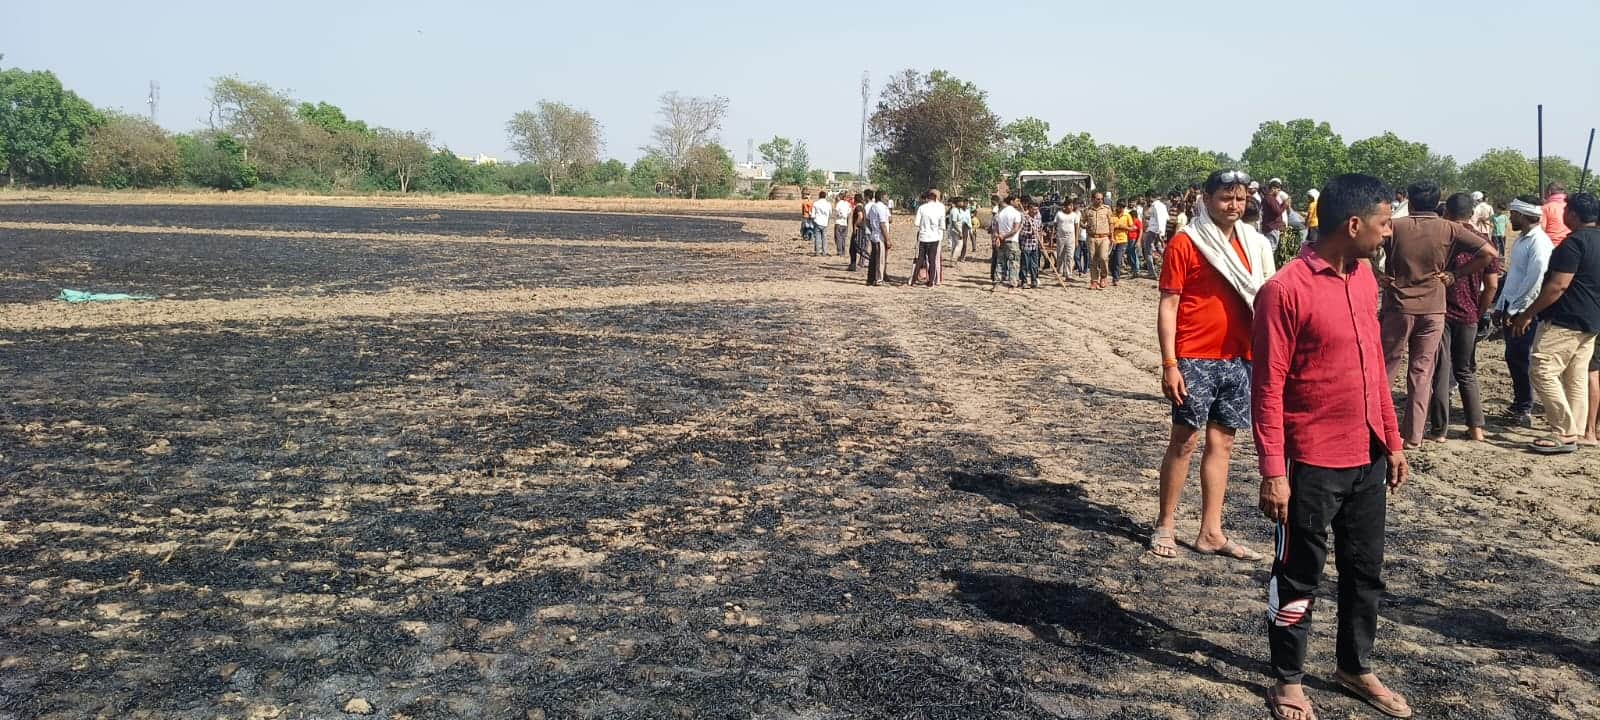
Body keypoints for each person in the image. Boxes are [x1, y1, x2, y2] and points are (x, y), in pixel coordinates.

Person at [1253, 173, 1412, 720]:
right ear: (1353, 224)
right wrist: (1274, 471)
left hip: (1366, 454)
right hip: (1310, 461)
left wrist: (1392, 442)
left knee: (1364, 571)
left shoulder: (1365, 278)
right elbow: (1268, 387)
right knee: (1298, 572)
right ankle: (1288, 679)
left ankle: (1354, 666)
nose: (1388, 232)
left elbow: (1374, 370)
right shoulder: (1284, 290)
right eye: (1384, 222)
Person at [1151, 169, 1276, 561]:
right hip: (1195, 358)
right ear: (1205, 199)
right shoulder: (1186, 243)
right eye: (1225, 197)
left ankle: (1211, 531)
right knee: (1185, 441)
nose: (1233, 205)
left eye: (1239, 198)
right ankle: (1166, 525)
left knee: (1222, 443)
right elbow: (1169, 304)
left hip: (1241, 358)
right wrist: (1170, 363)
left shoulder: (1255, 244)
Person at [1378, 180, 1499, 448]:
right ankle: (1413, 435)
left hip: (1398, 305)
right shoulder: (1450, 229)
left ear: (1409, 200)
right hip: (1433, 308)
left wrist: (1378, 275)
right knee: (1422, 372)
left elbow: (1363, 247)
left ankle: (1379, 428)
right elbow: (1489, 253)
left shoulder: (1395, 227)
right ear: (1437, 202)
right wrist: (1455, 275)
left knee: (1387, 367)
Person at [1510, 192, 1600, 452]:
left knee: (1541, 369)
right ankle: (1580, 430)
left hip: (1566, 320)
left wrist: (1528, 313)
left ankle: (1563, 430)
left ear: (1571, 214)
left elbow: (1557, 285)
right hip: (1591, 320)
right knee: (1576, 375)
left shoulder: (1573, 244)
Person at [1426, 193, 1501, 443]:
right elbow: (1491, 285)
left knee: (1441, 371)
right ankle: (1476, 428)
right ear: (1472, 214)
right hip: (1469, 313)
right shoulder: (1483, 242)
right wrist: (1479, 312)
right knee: (1466, 370)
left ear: (1446, 212)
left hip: (1441, 312)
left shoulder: (1442, 239)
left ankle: (1439, 430)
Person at [1493, 199, 1554, 426]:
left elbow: (1535, 281)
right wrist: (1500, 305)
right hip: (1512, 305)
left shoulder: (1539, 243)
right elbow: (1514, 278)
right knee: (1514, 356)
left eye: (1513, 214)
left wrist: (1519, 310)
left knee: (1521, 359)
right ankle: (1520, 403)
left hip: (1525, 310)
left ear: (1523, 215)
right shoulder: (1522, 240)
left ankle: (1525, 408)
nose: (1510, 218)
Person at [909, 189, 947, 288]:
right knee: (932, 260)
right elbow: (942, 226)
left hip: (923, 237)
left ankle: (912, 281)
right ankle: (931, 282)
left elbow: (916, 223)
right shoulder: (940, 208)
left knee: (920, 259)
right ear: (936, 198)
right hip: (934, 238)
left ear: (927, 198)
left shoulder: (922, 208)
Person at [990, 194, 1023, 292]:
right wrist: (1004, 236)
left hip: (1002, 241)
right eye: (1017, 201)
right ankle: (1012, 287)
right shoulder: (1016, 213)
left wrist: (998, 237)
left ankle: (996, 284)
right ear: (1011, 201)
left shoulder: (1000, 213)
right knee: (1014, 263)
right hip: (1012, 241)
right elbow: (1015, 229)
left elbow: (995, 228)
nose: (1018, 203)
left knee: (1000, 263)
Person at [1085, 191, 1115, 289]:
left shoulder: (1107, 209)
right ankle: (1094, 281)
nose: (1100, 201)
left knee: (1103, 258)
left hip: (1104, 237)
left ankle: (1103, 276)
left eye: (1102, 199)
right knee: (1092, 259)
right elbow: (1081, 222)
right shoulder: (1087, 210)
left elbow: (1111, 223)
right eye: (1098, 199)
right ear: (1093, 199)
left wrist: (1112, 236)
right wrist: (1085, 226)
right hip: (1092, 237)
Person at [864, 189, 892, 286]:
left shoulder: (873, 207)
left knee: (873, 259)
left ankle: (870, 279)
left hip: (874, 236)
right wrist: (887, 239)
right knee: (880, 260)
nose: (888, 199)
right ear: (882, 197)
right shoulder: (881, 208)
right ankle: (879, 280)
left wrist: (872, 229)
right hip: (880, 237)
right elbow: (883, 224)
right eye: (886, 197)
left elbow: (867, 220)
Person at [1018, 198, 1044, 289]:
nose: (1035, 211)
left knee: (1034, 264)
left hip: (1035, 245)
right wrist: (1030, 232)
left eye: (1037, 209)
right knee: (1025, 264)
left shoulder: (1038, 217)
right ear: (1029, 209)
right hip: (1026, 245)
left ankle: (1034, 280)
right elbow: (1020, 232)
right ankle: (1024, 281)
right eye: (1033, 209)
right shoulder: (1024, 217)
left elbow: (1040, 228)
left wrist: (1041, 237)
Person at [1143, 193, 1169, 278]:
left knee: (1148, 250)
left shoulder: (1155, 206)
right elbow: (1166, 218)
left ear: (1150, 197)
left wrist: (1160, 232)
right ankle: (1169, 263)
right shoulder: (1162, 205)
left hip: (1154, 230)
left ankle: (1152, 272)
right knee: (1159, 248)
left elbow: (1160, 219)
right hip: (1158, 230)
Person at [1054, 199, 1081, 280]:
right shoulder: (1059, 214)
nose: (1071, 207)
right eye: (1070, 205)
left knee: (1070, 256)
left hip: (1071, 237)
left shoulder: (1074, 215)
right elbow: (1055, 225)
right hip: (1060, 237)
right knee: (1060, 255)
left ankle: (1069, 274)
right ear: (1065, 206)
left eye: (1072, 206)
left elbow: (1077, 227)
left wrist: (1076, 240)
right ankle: (1060, 272)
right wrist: (1054, 236)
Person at [1110, 200, 1134, 287]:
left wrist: (1124, 227)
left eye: (1123, 207)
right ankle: (1113, 274)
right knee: (1111, 259)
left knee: (1118, 259)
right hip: (1112, 240)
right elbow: (1110, 226)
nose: (1121, 209)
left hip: (1123, 240)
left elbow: (1132, 228)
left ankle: (1116, 278)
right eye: (1119, 207)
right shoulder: (1112, 215)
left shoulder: (1127, 215)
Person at [1260, 178, 1288, 251]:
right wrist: (1285, 204)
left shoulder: (1268, 198)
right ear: (1273, 189)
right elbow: (1277, 212)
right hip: (1272, 227)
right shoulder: (1270, 199)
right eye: (1278, 190)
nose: (1278, 192)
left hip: (1269, 226)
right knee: (1271, 248)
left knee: (1270, 247)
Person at [1544, 181, 1572, 246]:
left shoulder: (1546, 208)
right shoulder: (1571, 206)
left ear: (1549, 192)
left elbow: (1540, 231)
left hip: (1551, 245)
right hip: (1569, 244)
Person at [947, 196, 973, 263]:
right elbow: (954, 222)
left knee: (955, 245)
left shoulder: (957, 210)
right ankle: (954, 259)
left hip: (958, 228)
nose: (962, 203)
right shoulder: (955, 210)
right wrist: (959, 231)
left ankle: (952, 259)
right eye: (961, 202)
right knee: (959, 245)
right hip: (956, 229)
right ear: (957, 203)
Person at [847, 191, 868, 272]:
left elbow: (860, 216)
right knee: (854, 248)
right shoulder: (862, 207)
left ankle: (854, 265)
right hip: (861, 229)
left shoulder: (858, 207)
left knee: (856, 248)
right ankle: (852, 265)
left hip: (858, 230)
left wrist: (855, 225)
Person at [810, 190, 832, 256]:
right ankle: (824, 252)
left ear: (819, 196)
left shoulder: (815, 203)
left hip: (817, 222)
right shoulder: (828, 204)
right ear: (825, 196)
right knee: (824, 238)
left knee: (817, 238)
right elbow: (830, 213)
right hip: (825, 223)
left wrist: (813, 220)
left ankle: (817, 252)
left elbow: (813, 215)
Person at [832, 192, 852, 258]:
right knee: (843, 238)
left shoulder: (839, 203)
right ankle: (843, 251)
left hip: (838, 222)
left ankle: (839, 251)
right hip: (845, 223)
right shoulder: (848, 204)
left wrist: (839, 215)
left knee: (838, 238)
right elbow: (849, 213)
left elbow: (836, 211)